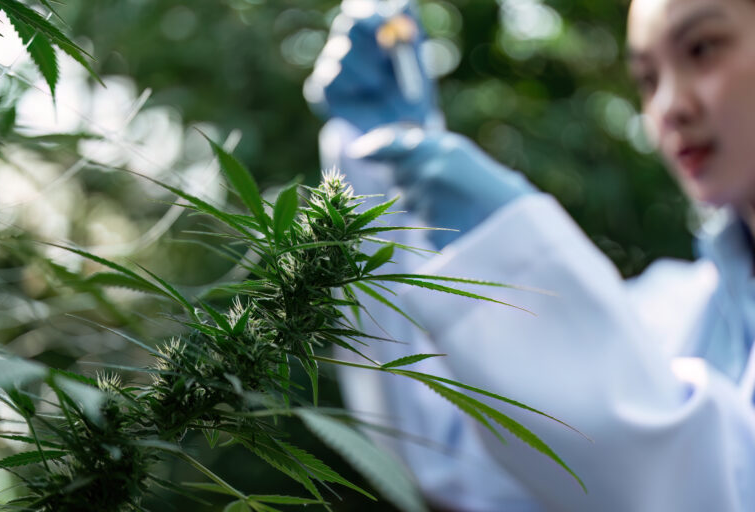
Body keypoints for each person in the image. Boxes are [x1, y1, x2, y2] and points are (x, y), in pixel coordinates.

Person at [305, 0, 755, 510]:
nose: (669, 106)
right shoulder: (672, 312)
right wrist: (377, 181)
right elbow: (453, 454)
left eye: (703, 49)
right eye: (648, 79)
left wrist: (509, 249)